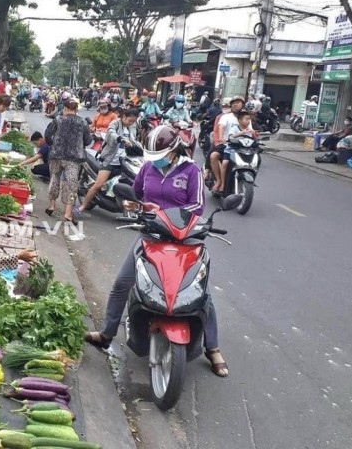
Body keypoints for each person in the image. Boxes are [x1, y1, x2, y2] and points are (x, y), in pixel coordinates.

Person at [84, 126, 228, 377]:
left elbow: (197, 206)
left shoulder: (191, 170)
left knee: (199, 292)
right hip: (151, 234)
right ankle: (107, 333)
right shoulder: (149, 168)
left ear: (173, 151)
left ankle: (212, 348)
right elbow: (138, 193)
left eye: (160, 155)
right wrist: (134, 204)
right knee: (122, 283)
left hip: (184, 237)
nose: (156, 161)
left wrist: (165, 213)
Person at [76, 108, 140, 214]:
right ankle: (82, 206)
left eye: (133, 121)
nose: (131, 123)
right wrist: (120, 139)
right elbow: (111, 133)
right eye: (130, 121)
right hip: (110, 161)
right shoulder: (115, 123)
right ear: (124, 117)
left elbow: (134, 140)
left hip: (123, 162)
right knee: (99, 184)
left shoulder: (131, 127)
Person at [44, 96, 91, 224]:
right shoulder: (83, 122)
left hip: (56, 155)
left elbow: (47, 135)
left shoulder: (58, 119)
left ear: (64, 108)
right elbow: (88, 141)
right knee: (71, 184)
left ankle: (52, 206)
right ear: (76, 110)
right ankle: (68, 214)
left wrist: (53, 144)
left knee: (54, 178)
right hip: (74, 158)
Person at [210, 96, 251, 192]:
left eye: (238, 102)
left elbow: (251, 131)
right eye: (233, 103)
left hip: (243, 146)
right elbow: (221, 127)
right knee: (214, 156)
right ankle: (219, 181)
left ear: (243, 105)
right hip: (228, 145)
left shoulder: (246, 117)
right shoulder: (225, 117)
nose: (235, 104)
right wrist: (221, 137)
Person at [220, 110, 257, 182]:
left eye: (249, 119)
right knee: (225, 163)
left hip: (245, 151)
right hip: (232, 150)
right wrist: (241, 133)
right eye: (246, 119)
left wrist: (253, 134)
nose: (248, 121)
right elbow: (231, 136)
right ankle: (222, 183)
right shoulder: (234, 128)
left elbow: (254, 139)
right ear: (239, 120)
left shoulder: (249, 130)